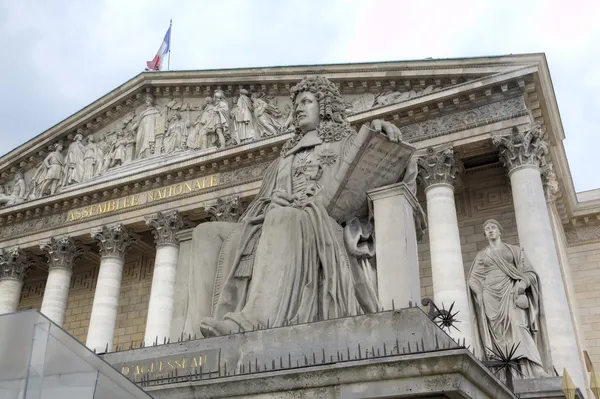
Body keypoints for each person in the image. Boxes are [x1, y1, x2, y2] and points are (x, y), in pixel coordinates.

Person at [186, 76, 402, 337]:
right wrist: (269, 203)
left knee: (282, 217)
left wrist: (381, 134)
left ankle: (255, 320)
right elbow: (254, 210)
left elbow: (386, 174)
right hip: (273, 225)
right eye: (296, 103)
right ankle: (193, 338)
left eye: (306, 101)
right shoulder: (283, 160)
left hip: (323, 228)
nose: (298, 108)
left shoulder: (348, 144)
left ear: (325, 107)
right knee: (206, 233)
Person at [468, 219, 550, 378]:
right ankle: (505, 373)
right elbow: (473, 279)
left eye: (493, 227)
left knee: (519, 326)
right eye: (487, 229)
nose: (490, 230)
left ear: (500, 231)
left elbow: (530, 273)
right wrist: (479, 293)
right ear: (485, 234)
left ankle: (535, 367)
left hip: (511, 292)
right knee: (499, 337)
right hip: (490, 296)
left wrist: (522, 283)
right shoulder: (482, 255)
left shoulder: (515, 250)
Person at [133, 93, 161, 159]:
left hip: (151, 129)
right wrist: (132, 129)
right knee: (141, 141)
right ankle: (141, 154)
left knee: (148, 140)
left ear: (151, 101)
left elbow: (159, 121)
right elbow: (137, 123)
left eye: (148, 101)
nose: (146, 103)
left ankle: (149, 152)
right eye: (146, 101)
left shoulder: (155, 111)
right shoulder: (142, 113)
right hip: (142, 130)